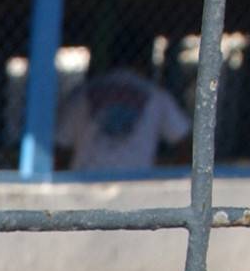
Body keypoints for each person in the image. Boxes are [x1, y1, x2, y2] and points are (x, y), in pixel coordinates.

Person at [54, 28, 191, 172]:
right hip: (135, 184)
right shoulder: (156, 95)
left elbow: (60, 148)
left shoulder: (84, 93)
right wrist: (165, 175)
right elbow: (186, 144)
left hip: (86, 181)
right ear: (146, 59)